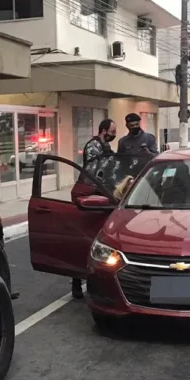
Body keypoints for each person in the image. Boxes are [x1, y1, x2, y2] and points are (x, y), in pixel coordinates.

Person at [70, 119, 117, 299]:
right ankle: (77, 281)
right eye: (112, 131)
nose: (114, 134)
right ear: (104, 131)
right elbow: (97, 173)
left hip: (103, 196)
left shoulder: (106, 147)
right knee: (82, 238)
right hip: (89, 194)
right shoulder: (93, 147)